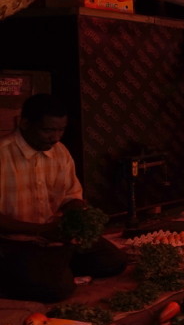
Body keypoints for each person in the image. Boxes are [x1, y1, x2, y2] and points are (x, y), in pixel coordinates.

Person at [0, 94, 126, 302]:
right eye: (48, 130)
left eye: (61, 130)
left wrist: (78, 219)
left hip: (57, 238)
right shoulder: (3, 154)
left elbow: (71, 195)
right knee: (55, 290)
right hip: (15, 243)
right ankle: (43, 271)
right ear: (24, 123)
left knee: (115, 261)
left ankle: (55, 266)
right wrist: (42, 231)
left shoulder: (60, 152)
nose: (56, 137)